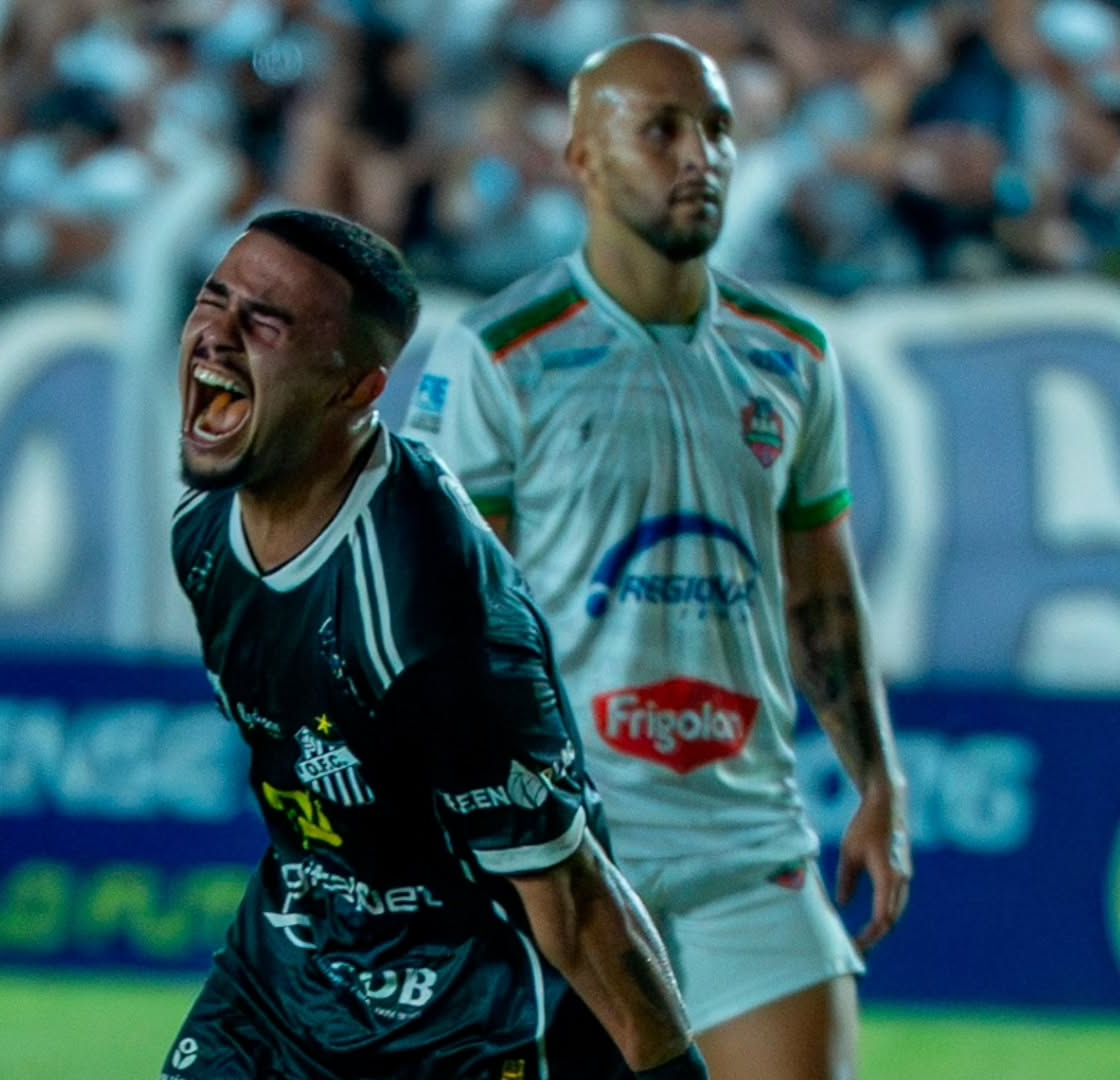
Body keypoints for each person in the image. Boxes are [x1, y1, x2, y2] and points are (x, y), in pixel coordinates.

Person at [405, 34, 912, 1080]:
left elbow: (821, 591)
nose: (700, 157)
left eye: (718, 130)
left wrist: (877, 778)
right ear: (583, 158)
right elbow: (442, 624)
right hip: (568, 859)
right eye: (663, 130)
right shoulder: (501, 354)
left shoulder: (791, 356)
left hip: (749, 847)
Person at [163, 207, 710, 1080]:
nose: (216, 335)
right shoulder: (203, 526)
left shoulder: (430, 615)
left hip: (463, 1021)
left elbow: (570, 895)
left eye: (266, 321)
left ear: (356, 390)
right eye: (213, 298)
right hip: (289, 975)